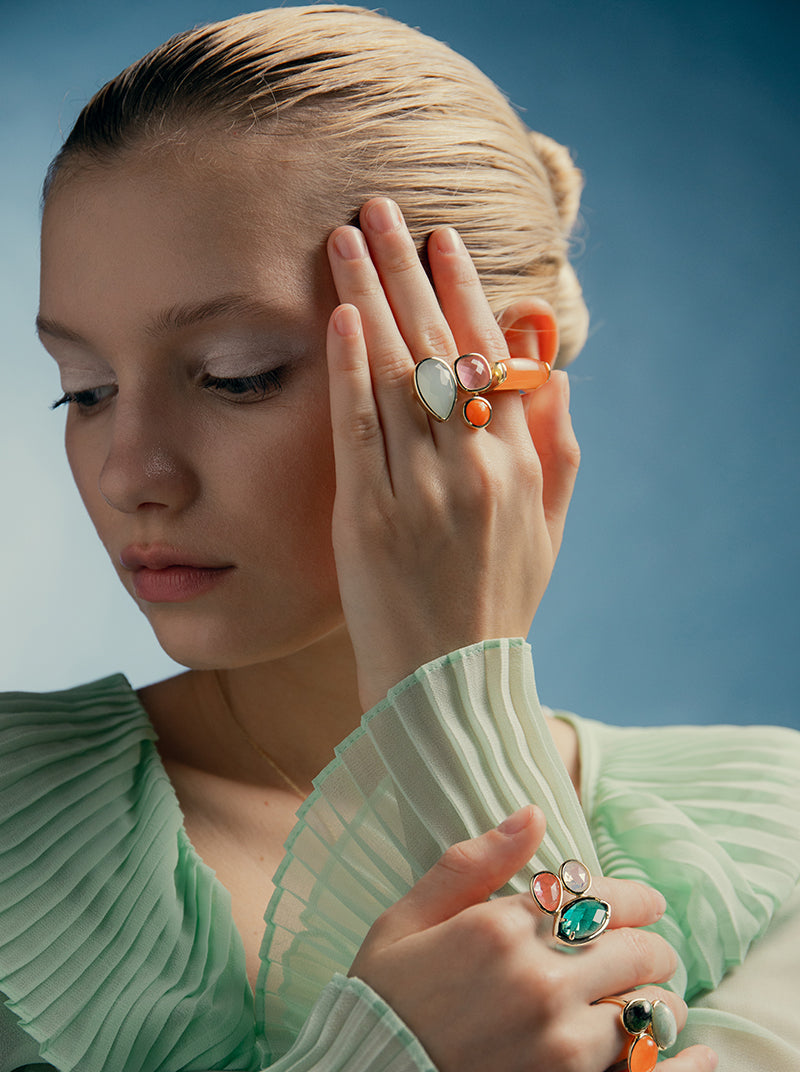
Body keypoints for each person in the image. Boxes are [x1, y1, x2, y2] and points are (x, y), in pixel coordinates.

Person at [1, 5, 797, 1071]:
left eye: (238, 375)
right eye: (84, 389)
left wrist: (448, 685)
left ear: (491, 374)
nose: (128, 472)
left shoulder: (772, 835)